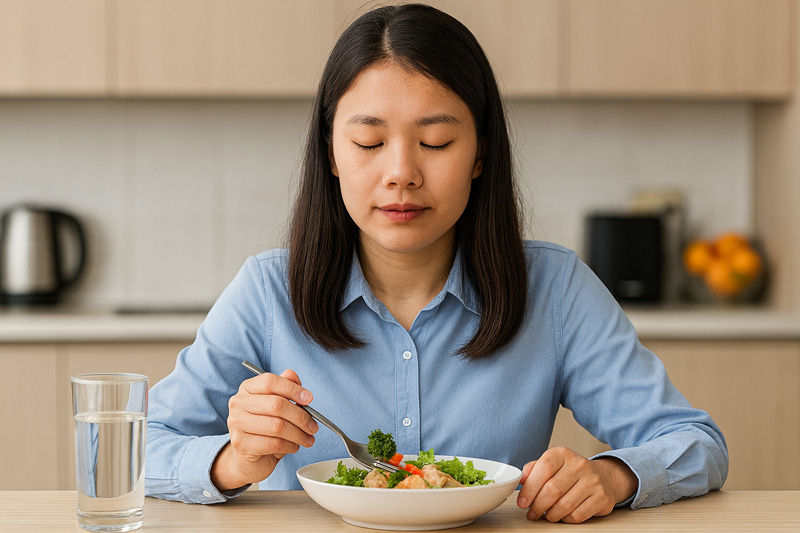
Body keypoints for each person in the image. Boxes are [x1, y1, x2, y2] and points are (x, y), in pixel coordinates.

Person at [145, 3, 728, 523]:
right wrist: (231, 460)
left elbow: (696, 443)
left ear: (479, 154)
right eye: (369, 144)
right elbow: (138, 449)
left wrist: (614, 476)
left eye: (437, 142)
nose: (401, 173)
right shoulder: (267, 291)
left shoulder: (554, 287)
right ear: (331, 153)